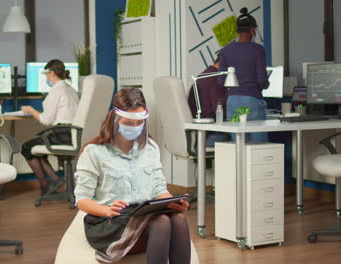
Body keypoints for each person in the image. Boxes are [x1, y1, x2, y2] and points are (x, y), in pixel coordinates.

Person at [74, 87, 191, 264]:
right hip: (110, 223)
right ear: (115, 118)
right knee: (161, 223)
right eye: (129, 122)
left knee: (178, 218)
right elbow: (81, 199)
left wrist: (171, 202)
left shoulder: (150, 148)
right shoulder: (94, 152)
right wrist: (107, 210)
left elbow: (159, 188)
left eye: (140, 122)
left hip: (142, 215)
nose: (135, 128)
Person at [20, 59, 79, 196]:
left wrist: (30, 109)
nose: (46, 78)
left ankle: (46, 184)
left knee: (26, 147)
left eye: (46, 75)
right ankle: (54, 179)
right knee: (36, 148)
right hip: (72, 134)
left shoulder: (56, 91)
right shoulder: (71, 90)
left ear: (52, 73)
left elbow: (46, 120)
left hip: (61, 134)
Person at [218, 7, 269, 142]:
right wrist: (266, 84)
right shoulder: (258, 50)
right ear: (252, 30)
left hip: (233, 103)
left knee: (238, 144)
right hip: (252, 101)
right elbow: (262, 80)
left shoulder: (225, 51)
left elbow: (221, 80)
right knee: (259, 146)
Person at [188, 55, 229, 147]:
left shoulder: (204, 75)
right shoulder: (216, 78)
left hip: (200, 135)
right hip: (210, 136)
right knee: (245, 137)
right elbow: (220, 111)